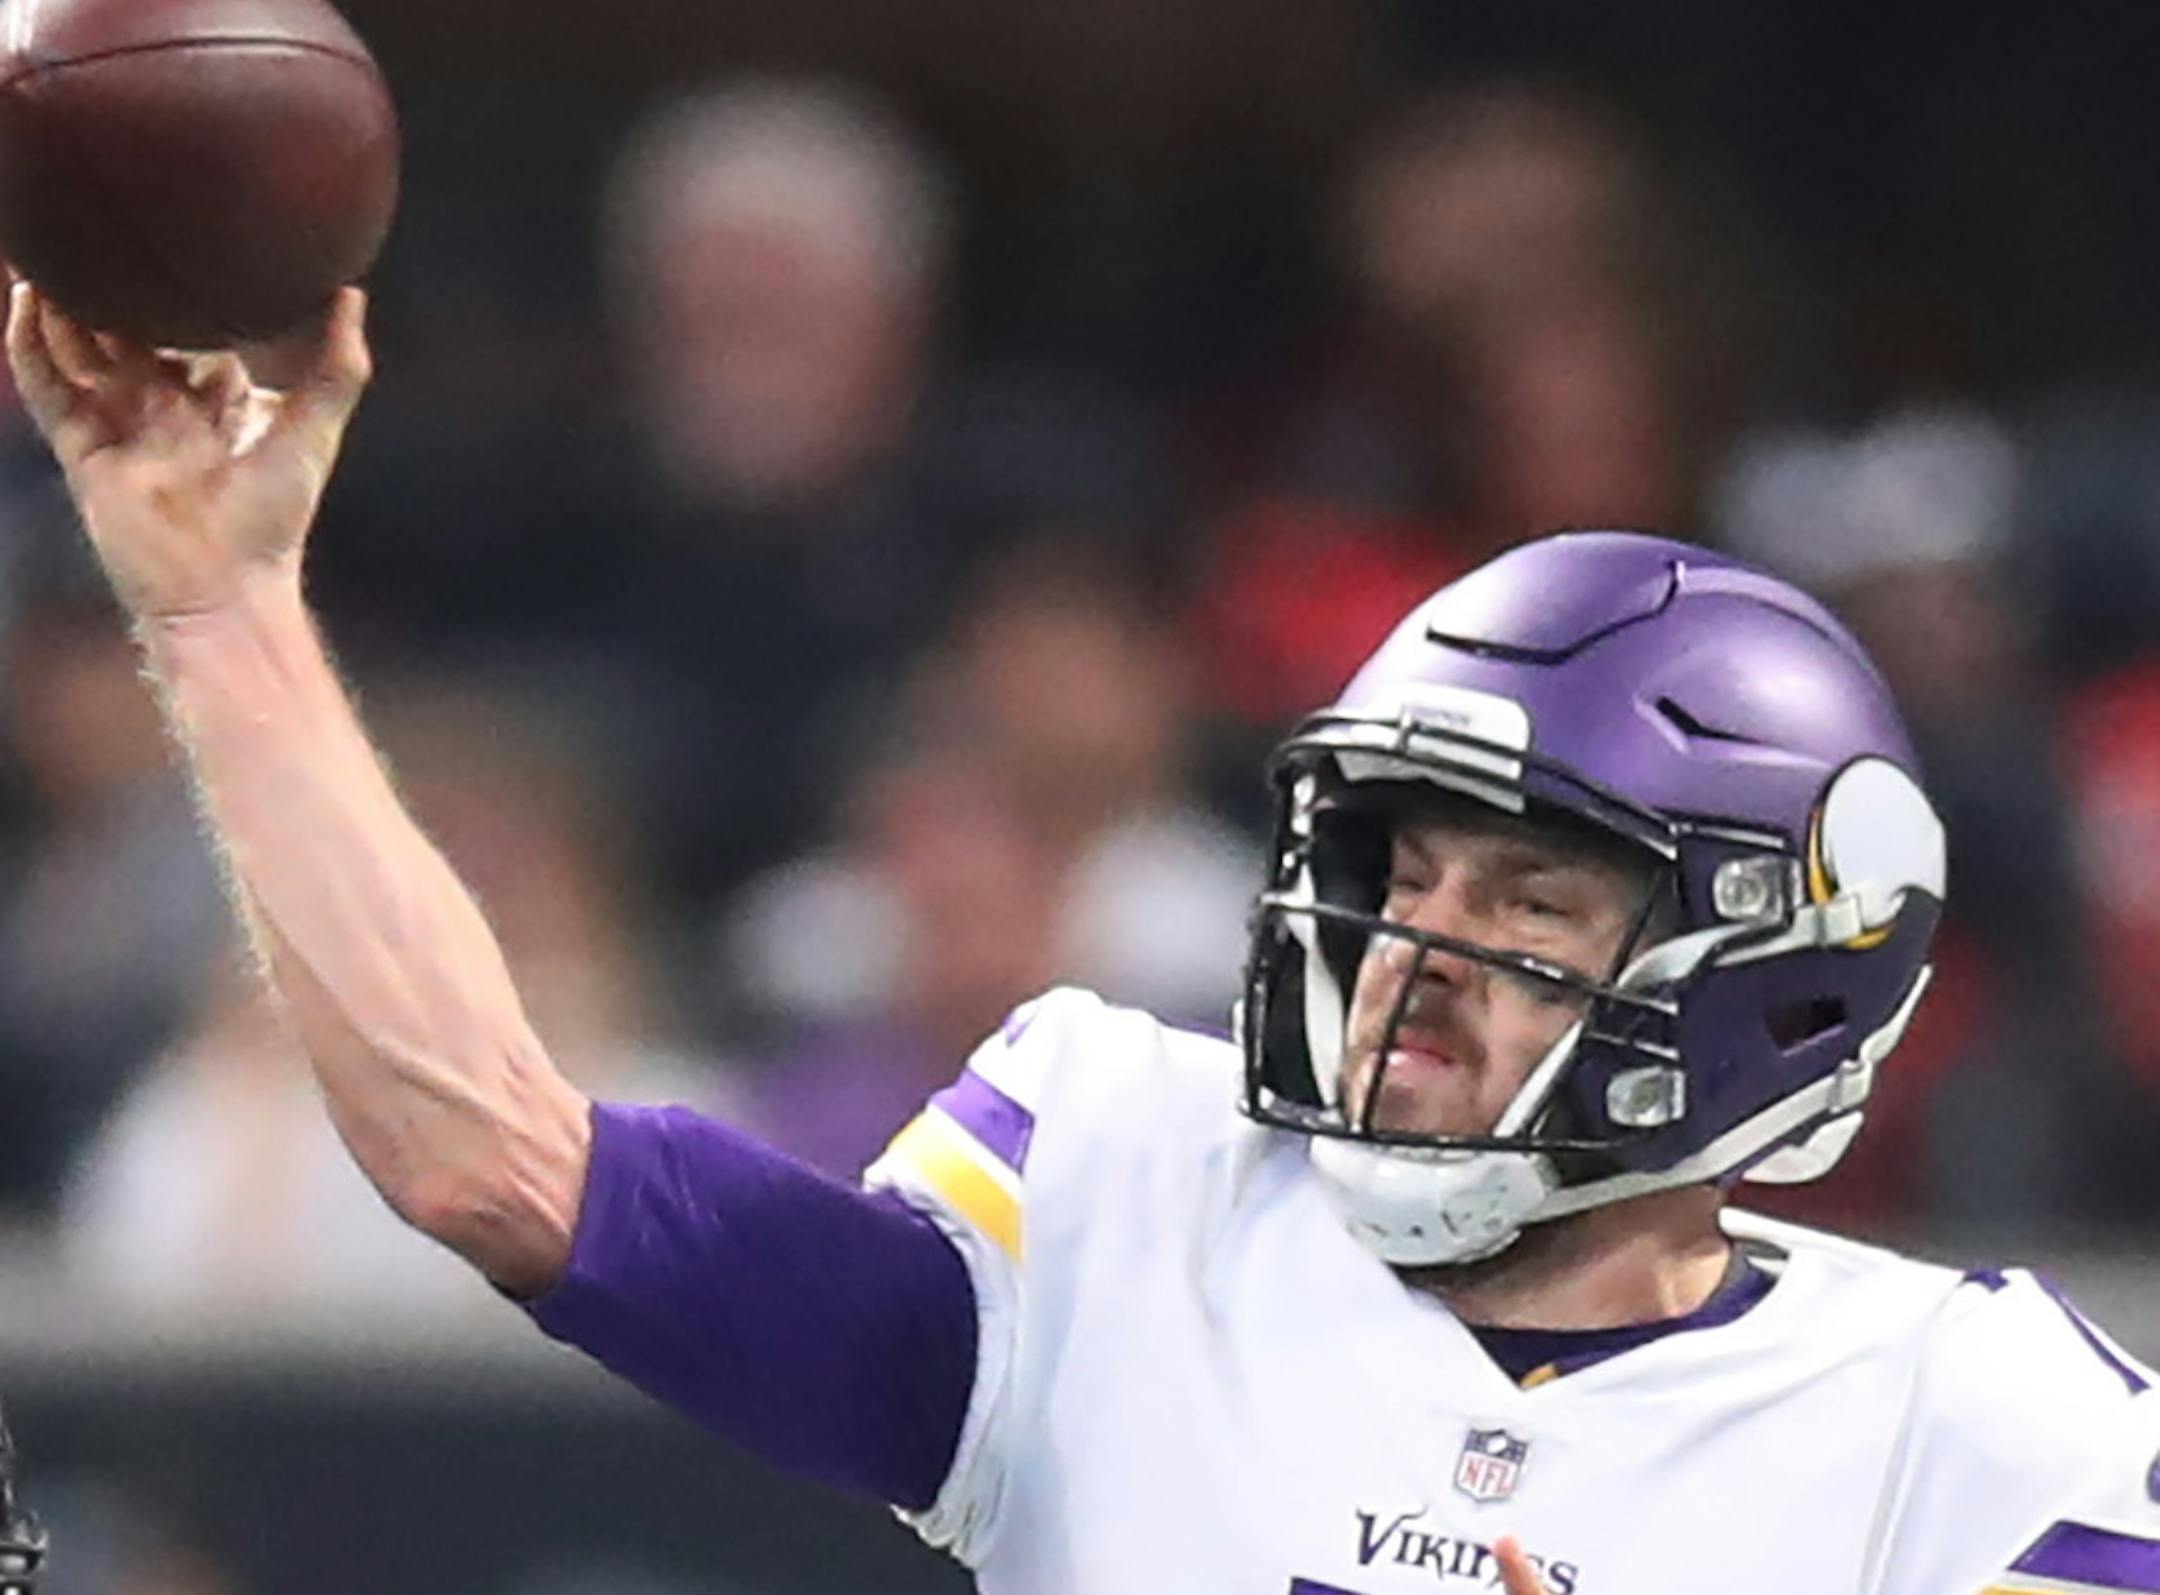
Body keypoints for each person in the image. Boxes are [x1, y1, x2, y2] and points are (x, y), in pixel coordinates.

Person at [9, 281, 2158, 1595]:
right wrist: (221, 605)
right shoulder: (1133, 1191)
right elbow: (492, 1156)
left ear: (1775, 984)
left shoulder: (1965, 1426)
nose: (1417, 947)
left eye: (1528, 901)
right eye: (1402, 872)